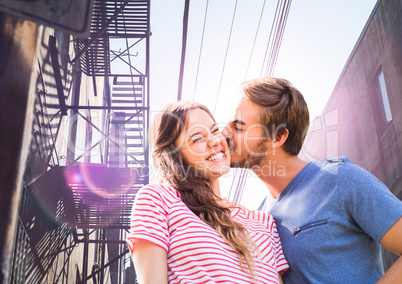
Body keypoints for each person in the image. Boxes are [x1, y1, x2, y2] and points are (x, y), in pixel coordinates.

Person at [222, 76, 402, 283]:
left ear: (278, 137)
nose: (223, 133)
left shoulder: (341, 179)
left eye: (238, 127)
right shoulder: (258, 220)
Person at [125, 101, 289, 284]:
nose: (215, 141)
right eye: (197, 138)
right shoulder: (157, 199)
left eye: (215, 130)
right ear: (175, 156)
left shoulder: (265, 223)